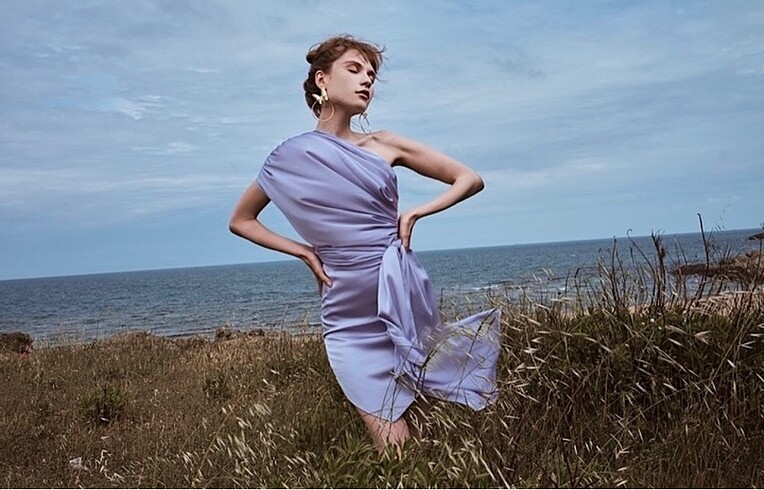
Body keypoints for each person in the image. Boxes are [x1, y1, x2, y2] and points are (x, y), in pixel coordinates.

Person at [229, 34, 500, 453]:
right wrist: (302, 251)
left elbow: (469, 179)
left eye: (371, 75)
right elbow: (241, 220)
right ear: (322, 79)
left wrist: (415, 213)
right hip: (347, 313)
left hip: (399, 292)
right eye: (354, 69)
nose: (367, 80)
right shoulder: (288, 156)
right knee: (393, 439)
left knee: (428, 406)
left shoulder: (385, 144)